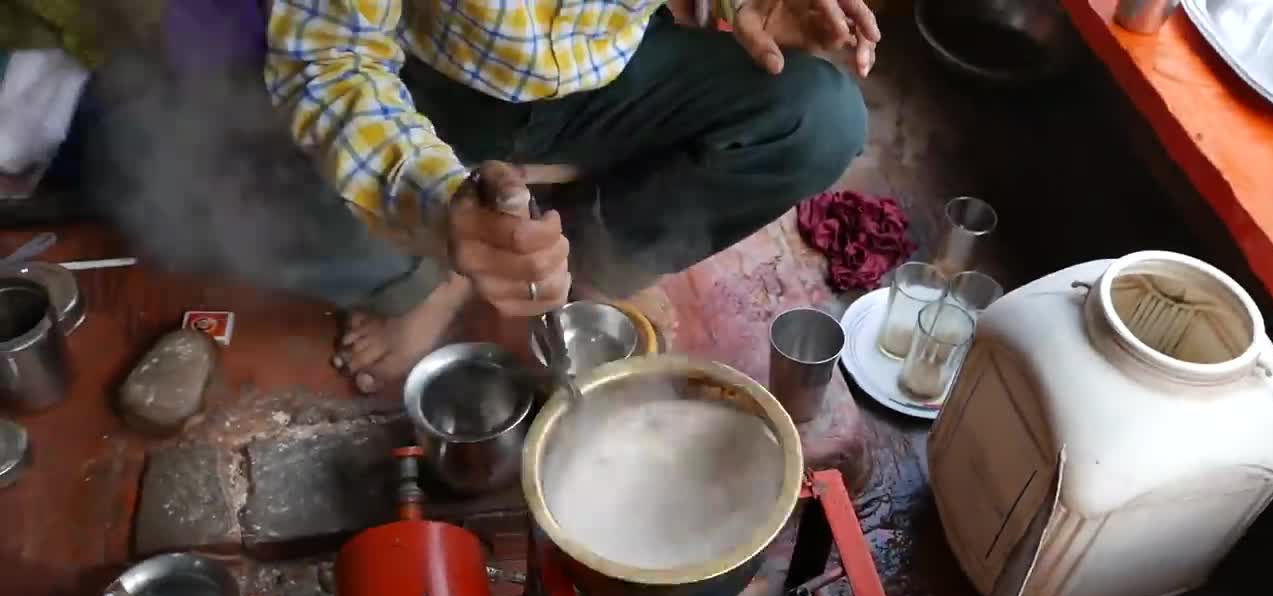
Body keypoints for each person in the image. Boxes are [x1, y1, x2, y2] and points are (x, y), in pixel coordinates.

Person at [265, 0, 878, 392]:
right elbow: (329, 54)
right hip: (432, 82)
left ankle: (563, 254)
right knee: (245, 209)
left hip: (614, 67)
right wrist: (435, 203)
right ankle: (452, 258)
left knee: (821, 120)